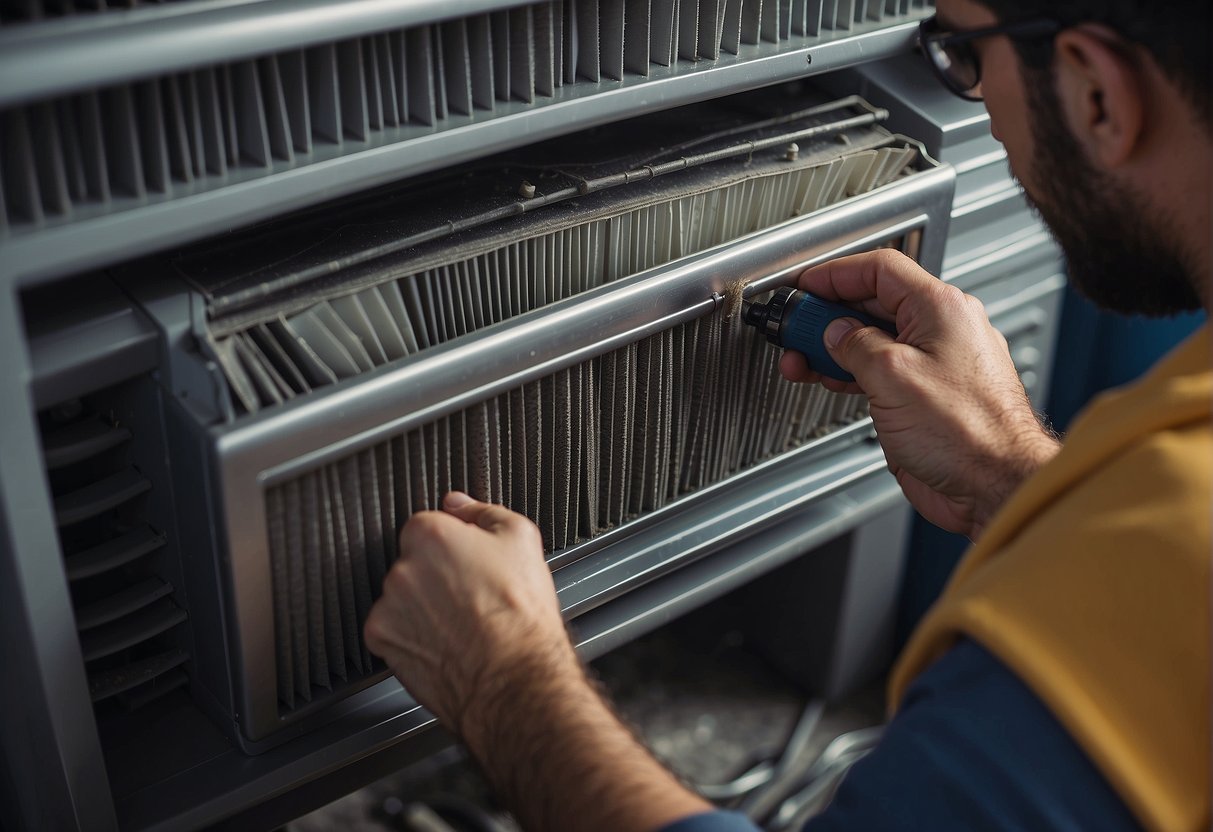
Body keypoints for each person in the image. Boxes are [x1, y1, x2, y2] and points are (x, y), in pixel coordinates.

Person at [364, 0, 1212, 828]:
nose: (978, 102)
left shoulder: (1121, 617)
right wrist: (1011, 476)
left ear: (1096, 91)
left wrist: (503, 686)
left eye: (962, 51)